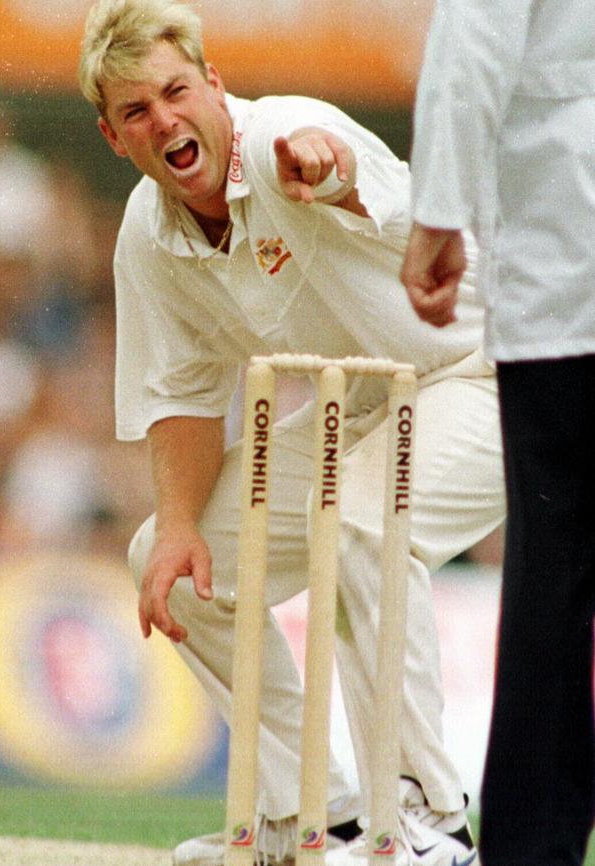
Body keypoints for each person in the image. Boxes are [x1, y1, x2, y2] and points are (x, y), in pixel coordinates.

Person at [78, 2, 506, 863]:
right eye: (136, 111)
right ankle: (311, 815)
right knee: (170, 559)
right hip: (370, 404)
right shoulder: (148, 236)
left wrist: (330, 169)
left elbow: (358, 176)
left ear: (214, 86)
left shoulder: (285, 136)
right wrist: (183, 527)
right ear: (113, 137)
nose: (164, 119)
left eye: (174, 90)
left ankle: (427, 821)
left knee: (358, 521)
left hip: (487, 369)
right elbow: (186, 399)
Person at [400, 2, 595, 865]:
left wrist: (438, 213)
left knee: (555, 588)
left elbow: (470, 48)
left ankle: (529, 854)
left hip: (570, 291)